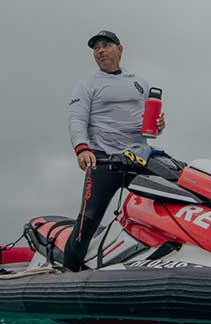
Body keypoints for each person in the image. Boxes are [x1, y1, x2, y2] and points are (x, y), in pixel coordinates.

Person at [63, 30, 165, 272]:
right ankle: (67, 273)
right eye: (96, 48)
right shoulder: (87, 84)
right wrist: (82, 148)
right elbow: (76, 119)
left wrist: (159, 126)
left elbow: (147, 124)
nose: (100, 51)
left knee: (172, 200)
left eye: (106, 45)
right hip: (103, 159)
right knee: (88, 219)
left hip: (138, 158)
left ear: (120, 49)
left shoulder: (140, 82)